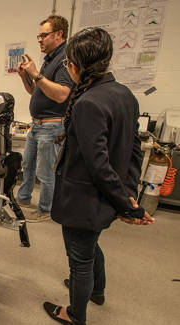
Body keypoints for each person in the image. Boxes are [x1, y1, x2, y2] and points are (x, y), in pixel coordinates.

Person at [43, 27, 155, 325]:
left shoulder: (88, 103)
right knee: (91, 246)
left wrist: (128, 205)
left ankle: (75, 314)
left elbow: (98, 165)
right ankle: (97, 291)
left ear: (75, 66)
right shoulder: (125, 95)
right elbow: (134, 151)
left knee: (80, 260)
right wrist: (127, 194)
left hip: (84, 199)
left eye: (68, 63)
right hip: (105, 198)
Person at [16, 15, 74, 222]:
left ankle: (46, 209)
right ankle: (23, 198)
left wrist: (37, 74)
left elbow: (61, 94)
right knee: (28, 165)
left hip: (52, 126)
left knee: (46, 171)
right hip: (37, 125)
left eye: (44, 35)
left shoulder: (66, 59)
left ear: (58, 34)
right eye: (38, 36)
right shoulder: (50, 59)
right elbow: (35, 91)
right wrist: (25, 76)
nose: (39, 39)